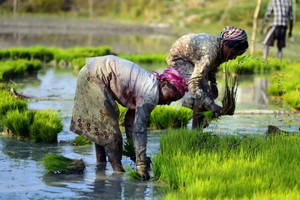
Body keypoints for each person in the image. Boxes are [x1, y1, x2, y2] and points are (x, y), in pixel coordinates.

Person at [70, 55, 188, 180]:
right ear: (164, 84)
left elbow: (131, 123)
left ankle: (101, 169)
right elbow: (139, 130)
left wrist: (134, 155)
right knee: (110, 132)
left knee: (103, 127)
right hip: (93, 76)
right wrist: (141, 165)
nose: (168, 103)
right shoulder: (150, 94)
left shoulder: (151, 87)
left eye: (172, 101)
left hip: (92, 71)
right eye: (169, 98)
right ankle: (117, 174)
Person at [166, 26, 248, 129]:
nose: (234, 57)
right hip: (180, 57)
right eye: (234, 53)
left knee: (205, 93)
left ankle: (195, 122)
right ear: (226, 44)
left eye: (238, 55)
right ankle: (196, 132)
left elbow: (213, 65)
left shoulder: (222, 49)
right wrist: (211, 105)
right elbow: (193, 83)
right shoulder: (210, 53)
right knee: (203, 92)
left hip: (193, 56)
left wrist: (213, 83)